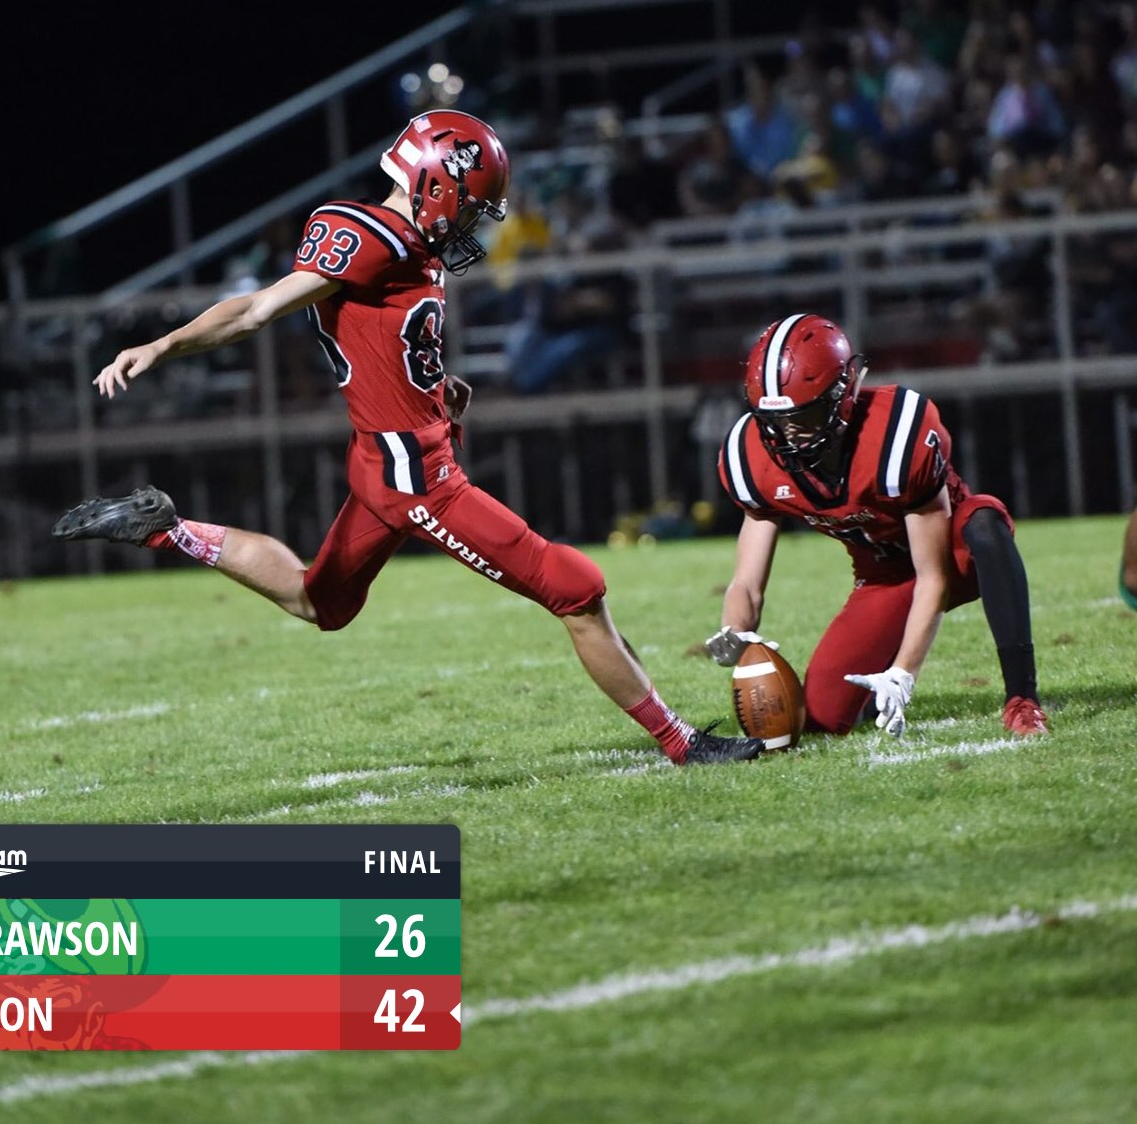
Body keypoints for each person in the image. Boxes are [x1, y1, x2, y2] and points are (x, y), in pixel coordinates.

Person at [53, 111, 763, 767]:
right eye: (472, 205)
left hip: (384, 460)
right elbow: (256, 310)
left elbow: (382, 338)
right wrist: (165, 344)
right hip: (415, 476)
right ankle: (682, 744)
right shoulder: (368, 236)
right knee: (577, 589)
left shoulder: (412, 245)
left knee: (318, 601)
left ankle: (167, 530)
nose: (474, 223)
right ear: (435, 184)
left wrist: (436, 389)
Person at [703, 312, 1048, 738]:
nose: (788, 434)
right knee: (821, 718)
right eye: (774, 420)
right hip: (885, 578)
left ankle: (1022, 699)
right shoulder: (750, 456)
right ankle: (868, 699)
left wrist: (904, 672)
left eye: (803, 417)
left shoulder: (894, 434)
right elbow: (747, 584)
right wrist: (736, 633)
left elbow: (934, 576)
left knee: (984, 524)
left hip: (954, 553)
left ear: (843, 395)